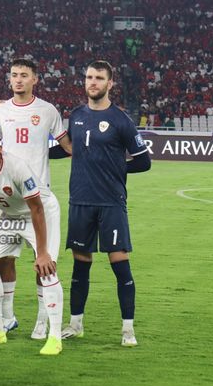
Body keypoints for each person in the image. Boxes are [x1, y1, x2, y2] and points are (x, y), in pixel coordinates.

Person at [61, 60, 151, 347]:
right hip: (80, 201)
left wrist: (117, 170)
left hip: (111, 202)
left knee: (120, 264)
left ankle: (127, 330)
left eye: (99, 78)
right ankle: (75, 325)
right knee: (80, 266)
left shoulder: (120, 120)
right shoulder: (75, 116)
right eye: (89, 77)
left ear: (110, 83)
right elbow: (66, 150)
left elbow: (144, 161)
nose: (93, 82)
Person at [0, 127, 63, 355]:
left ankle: (55, 337)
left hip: (40, 213)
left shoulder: (17, 167)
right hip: (9, 215)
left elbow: (37, 208)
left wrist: (42, 252)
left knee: (46, 269)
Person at [0, 58, 72, 340]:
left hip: (38, 198)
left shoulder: (48, 111)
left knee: (45, 263)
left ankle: (42, 320)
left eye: (24, 75)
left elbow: (67, 146)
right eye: (14, 75)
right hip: (6, 200)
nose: (18, 80)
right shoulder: (0, 110)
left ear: (35, 79)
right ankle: (8, 316)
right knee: (0, 260)